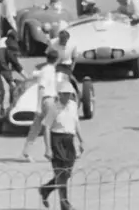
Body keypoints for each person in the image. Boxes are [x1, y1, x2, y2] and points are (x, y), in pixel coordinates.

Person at [38, 79, 85, 209]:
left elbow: (76, 123)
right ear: (59, 94)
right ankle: (64, 203)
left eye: (69, 93)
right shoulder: (54, 108)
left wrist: (81, 140)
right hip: (57, 139)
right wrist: (48, 148)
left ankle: (46, 189)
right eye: (64, 93)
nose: (66, 96)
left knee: (67, 172)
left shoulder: (73, 106)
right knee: (60, 172)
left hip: (69, 140)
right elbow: (46, 127)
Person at [22, 48, 59, 162]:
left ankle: (27, 151)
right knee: (51, 126)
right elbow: (41, 88)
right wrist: (38, 106)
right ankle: (49, 151)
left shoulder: (48, 70)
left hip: (47, 100)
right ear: (56, 59)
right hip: (47, 100)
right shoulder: (48, 71)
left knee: (36, 127)